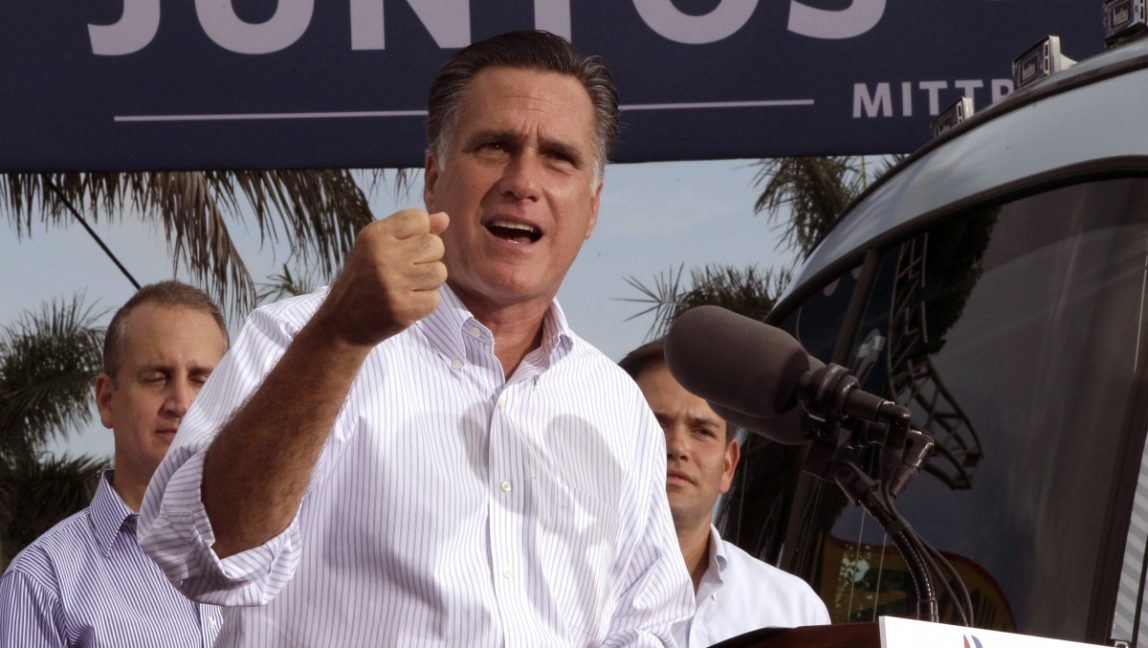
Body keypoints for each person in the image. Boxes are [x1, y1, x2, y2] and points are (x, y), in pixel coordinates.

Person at [138, 31, 694, 647]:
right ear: (433, 176)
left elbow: (651, 631)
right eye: (494, 146)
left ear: (591, 209)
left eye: (559, 157)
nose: (523, 180)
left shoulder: (617, 406)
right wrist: (339, 339)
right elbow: (199, 552)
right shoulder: (300, 338)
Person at [0, 281, 229, 647]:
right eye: (157, 378)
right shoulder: (44, 582)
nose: (181, 402)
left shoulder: (277, 557)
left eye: (202, 380)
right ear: (107, 399)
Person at [620, 339, 830, 647]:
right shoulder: (557, 585)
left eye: (702, 431)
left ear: (729, 465)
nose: (677, 446)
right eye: (657, 424)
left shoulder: (793, 611)